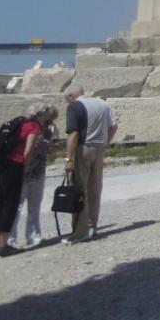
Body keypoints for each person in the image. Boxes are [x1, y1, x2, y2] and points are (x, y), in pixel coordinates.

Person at [63, 84, 118, 243]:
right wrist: (104, 143)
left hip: (84, 148)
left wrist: (68, 158)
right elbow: (113, 127)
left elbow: (73, 133)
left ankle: (80, 232)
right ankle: (92, 226)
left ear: (71, 96)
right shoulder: (102, 103)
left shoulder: (75, 106)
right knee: (95, 188)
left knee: (80, 189)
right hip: (100, 148)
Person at [0, 108, 44, 257]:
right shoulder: (34, 125)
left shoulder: (15, 121)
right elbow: (28, 150)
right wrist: (24, 165)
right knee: (11, 203)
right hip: (13, 164)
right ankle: (4, 245)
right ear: (40, 115)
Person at [9, 104, 59, 249]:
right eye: (49, 120)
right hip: (22, 172)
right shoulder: (25, 127)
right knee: (16, 207)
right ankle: (10, 239)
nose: (50, 123)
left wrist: (52, 139)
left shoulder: (47, 131)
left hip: (38, 172)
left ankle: (34, 236)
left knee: (34, 207)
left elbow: (53, 149)